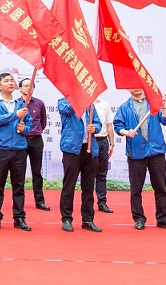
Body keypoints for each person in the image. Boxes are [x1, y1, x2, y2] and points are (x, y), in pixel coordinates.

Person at [113, 89, 166, 231]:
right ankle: (139, 219)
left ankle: (164, 219)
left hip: (156, 150)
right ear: (128, 88)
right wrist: (126, 132)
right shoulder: (124, 107)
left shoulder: (154, 103)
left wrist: (163, 106)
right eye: (132, 85)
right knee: (136, 189)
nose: (136, 87)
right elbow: (118, 126)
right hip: (136, 152)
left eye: (138, 84)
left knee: (160, 188)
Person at [0, 73, 33, 232]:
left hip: (19, 150)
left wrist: (24, 128)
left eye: (12, 80)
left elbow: (29, 126)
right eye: (6, 81)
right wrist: (15, 115)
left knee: (19, 186)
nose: (11, 82)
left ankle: (19, 218)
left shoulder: (22, 104)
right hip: (1, 149)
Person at [57, 98, 102, 233]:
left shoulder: (90, 104)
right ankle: (66, 218)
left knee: (88, 186)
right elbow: (67, 110)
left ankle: (88, 220)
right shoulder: (63, 101)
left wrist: (95, 128)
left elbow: (98, 123)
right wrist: (80, 99)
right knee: (69, 185)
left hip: (89, 148)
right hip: (72, 149)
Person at [18, 77, 50, 211]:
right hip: (21, 140)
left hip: (36, 140)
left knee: (37, 172)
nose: (28, 88)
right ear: (20, 88)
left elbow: (43, 121)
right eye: (25, 85)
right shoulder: (16, 103)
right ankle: (19, 202)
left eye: (30, 85)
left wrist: (36, 131)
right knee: (19, 172)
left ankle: (39, 201)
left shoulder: (39, 103)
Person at [93, 95, 115, 213]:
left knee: (102, 173)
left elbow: (109, 125)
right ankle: (87, 202)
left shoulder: (104, 104)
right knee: (88, 174)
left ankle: (102, 202)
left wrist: (112, 143)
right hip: (89, 141)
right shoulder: (83, 102)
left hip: (103, 141)